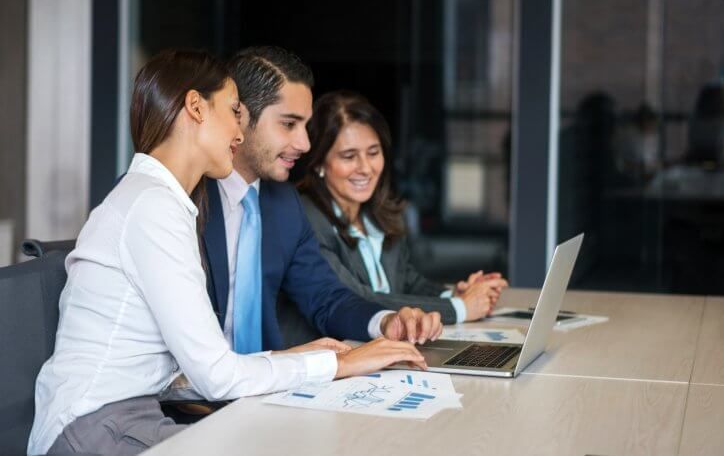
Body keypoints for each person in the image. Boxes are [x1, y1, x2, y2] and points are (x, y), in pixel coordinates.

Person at [29, 51, 433, 456]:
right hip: (98, 426)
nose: (238, 131)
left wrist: (291, 357)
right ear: (195, 107)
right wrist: (337, 364)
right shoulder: (153, 207)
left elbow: (169, 362)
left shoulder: (164, 201)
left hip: (137, 415)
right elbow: (215, 377)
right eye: (233, 110)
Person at [203, 46, 444, 353]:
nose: (304, 144)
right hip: (197, 395)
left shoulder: (283, 203)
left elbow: (326, 297)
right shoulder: (188, 199)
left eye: (305, 125)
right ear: (240, 115)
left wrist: (385, 321)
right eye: (289, 124)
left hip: (267, 384)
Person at [297, 90, 508, 324]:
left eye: (373, 153)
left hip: (395, 346)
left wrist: (453, 294)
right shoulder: (305, 219)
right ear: (318, 164)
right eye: (349, 156)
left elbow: (408, 282)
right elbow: (354, 298)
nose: (366, 168)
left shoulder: (377, 214)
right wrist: (459, 308)